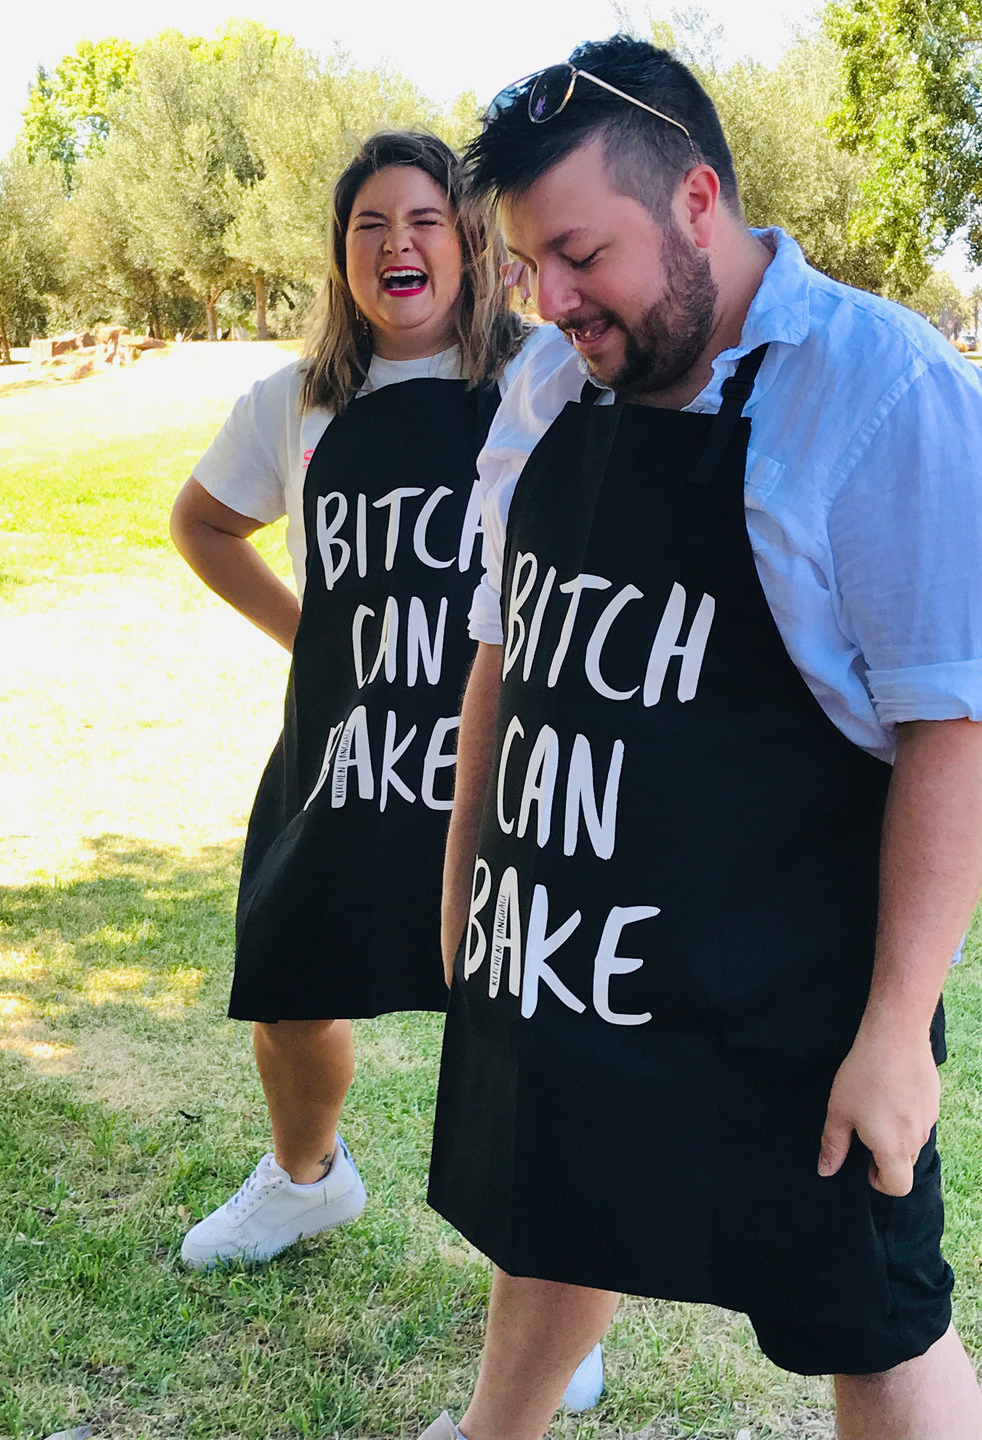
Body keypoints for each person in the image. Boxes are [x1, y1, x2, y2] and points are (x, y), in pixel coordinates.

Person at [420, 35, 982, 1440]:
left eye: (580, 255)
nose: (549, 302)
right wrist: (459, 894)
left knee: (875, 1323)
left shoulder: (882, 392)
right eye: (527, 266)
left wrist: (897, 1031)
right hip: (564, 958)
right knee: (549, 1224)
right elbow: (504, 646)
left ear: (695, 201)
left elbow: (951, 722)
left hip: (785, 994)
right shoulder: (548, 391)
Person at [169, 132, 540, 1272]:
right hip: (348, 755)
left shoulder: (544, 380)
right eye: (370, 224)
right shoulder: (294, 401)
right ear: (341, 257)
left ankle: (542, 1269)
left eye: (425, 219)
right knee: (289, 974)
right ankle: (305, 1179)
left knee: (519, 1012)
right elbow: (205, 525)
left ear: (468, 242)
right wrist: (312, 639)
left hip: (502, 754)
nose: (399, 244)